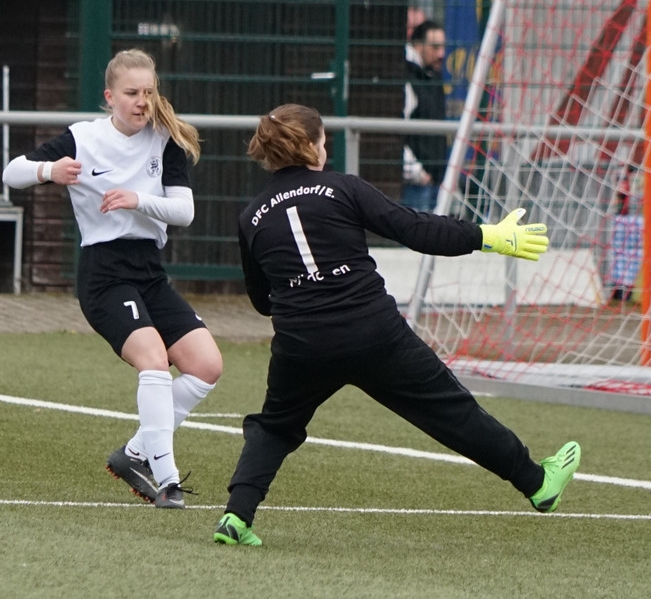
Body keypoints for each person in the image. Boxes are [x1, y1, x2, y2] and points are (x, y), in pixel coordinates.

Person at [213, 103, 581, 546]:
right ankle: (538, 483)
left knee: (274, 426)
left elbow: (261, 301)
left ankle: (236, 517)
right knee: (450, 411)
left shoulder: (251, 216)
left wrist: (304, 298)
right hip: (373, 332)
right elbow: (414, 229)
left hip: (302, 344)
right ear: (312, 146)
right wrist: (489, 237)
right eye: (324, 140)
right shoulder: (343, 188)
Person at [2, 48, 223, 509]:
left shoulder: (165, 139)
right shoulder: (83, 138)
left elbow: (184, 211)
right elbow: (12, 172)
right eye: (131, 93)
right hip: (104, 276)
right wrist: (48, 170)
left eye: (148, 92)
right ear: (110, 97)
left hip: (149, 272)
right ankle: (167, 480)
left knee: (206, 365)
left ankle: (134, 453)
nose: (142, 102)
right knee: (154, 361)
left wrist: (136, 199)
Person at [402, 19, 448, 212]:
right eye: (435, 47)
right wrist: (416, 172)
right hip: (415, 184)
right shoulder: (406, 76)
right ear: (418, 45)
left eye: (443, 47)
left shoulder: (433, 76)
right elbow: (396, 131)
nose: (441, 54)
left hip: (433, 181)